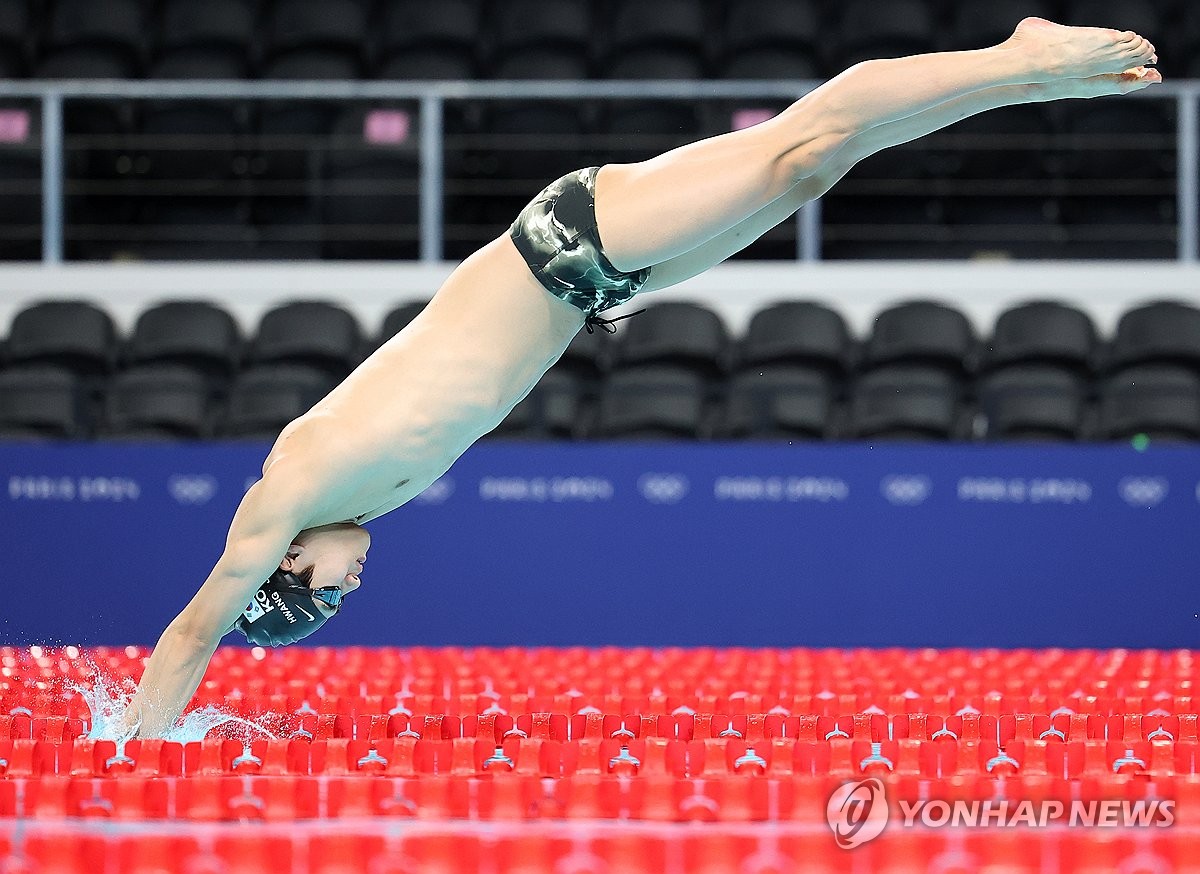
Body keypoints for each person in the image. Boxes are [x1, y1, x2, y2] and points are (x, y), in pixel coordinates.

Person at [117, 18, 1159, 737]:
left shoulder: (289, 489)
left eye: (333, 591)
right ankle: (1025, 83)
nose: (354, 583)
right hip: (599, 284)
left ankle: (1017, 55)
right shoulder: (366, 501)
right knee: (813, 167)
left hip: (563, 238)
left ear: (290, 566)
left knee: (798, 136)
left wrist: (139, 739)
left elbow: (195, 623)